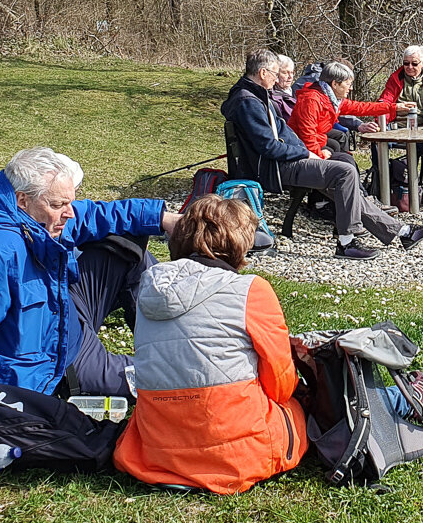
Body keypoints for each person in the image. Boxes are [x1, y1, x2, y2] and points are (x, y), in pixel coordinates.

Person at [0, 147, 182, 412]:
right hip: (55, 361)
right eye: (58, 205)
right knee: (174, 378)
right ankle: (176, 365)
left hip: (64, 316)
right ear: (22, 200)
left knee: (127, 241)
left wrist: (164, 219)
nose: (69, 213)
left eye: (69, 202)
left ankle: (176, 338)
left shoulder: (36, 217)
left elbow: (93, 215)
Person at [113, 195, 308, 494]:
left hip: (158, 452)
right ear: (241, 242)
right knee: (295, 408)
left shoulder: (149, 287)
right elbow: (281, 386)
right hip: (233, 458)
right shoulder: (250, 289)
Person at [222, 48, 423, 260]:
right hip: (275, 168)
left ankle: (403, 233)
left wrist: (392, 108)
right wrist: (306, 153)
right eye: (275, 73)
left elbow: (285, 132)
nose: (278, 78)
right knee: (344, 172)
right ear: (262, 73)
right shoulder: (249, 101)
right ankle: (347, 240)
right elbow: (269, 146)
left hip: (282, 161)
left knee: (345, 174)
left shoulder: (256, 96)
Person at [289, 59, 413, 163]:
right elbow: (307, 133)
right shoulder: (312, 100)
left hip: (317, 140)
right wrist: (319, 154)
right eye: (348, 84)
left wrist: (394, 107)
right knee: (344, 161)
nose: (351, 88)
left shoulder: (333, 100)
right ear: (335, 84)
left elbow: (362, 108)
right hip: (300, 146)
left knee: (340, 152)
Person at [378, 45, 423, 210]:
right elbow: (385, 99)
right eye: (406, 63)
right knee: (377, 144)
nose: (409, 67)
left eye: (414, 63)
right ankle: (381, 187)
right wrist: (381, 122)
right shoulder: (396, 78)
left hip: (421, 126)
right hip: (397, 125)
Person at [270, 54, 297, 122]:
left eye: (292, 72)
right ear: (275, 74)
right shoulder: (273, 99)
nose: (290, 76)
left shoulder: (296, 91)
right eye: (285, 73)